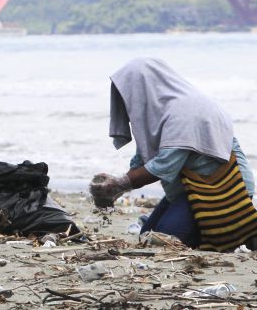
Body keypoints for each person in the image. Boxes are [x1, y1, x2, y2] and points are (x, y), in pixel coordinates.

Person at [90, 57, 257, 251]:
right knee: (148, 234)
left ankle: (242, 233)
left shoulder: (185, 112)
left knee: (168, 238)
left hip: (224, 186)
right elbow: (144, 159)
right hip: (192, 186)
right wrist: (113, 189)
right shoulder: (160, 113)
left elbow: (163, 165)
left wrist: (120, 183)